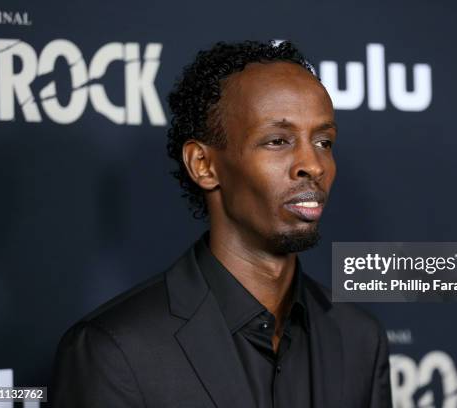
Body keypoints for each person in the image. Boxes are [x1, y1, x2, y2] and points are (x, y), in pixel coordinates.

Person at [50, 40, 392, 408]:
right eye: (278, 141)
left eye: (324, 141)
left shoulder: (359, 339)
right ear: (203, 164)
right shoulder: (113, 351)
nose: (314, 165)